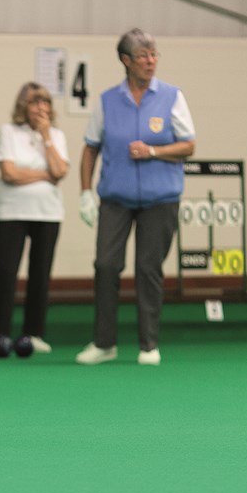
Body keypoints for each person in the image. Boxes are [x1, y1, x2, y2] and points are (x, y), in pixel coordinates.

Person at [76, 28, 196, 367]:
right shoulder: (107, 101)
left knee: (148, 269)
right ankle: (104, 343)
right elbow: (90, 149)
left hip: (160, 200)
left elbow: (188, 145)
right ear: (126, 61)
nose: (150, 61)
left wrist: (154, 151)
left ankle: (149, 345)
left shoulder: (172, 96)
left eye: (154, 54)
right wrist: (86, 193)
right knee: (105, 266)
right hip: (116, 199)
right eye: (143, 56)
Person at [0, 82, 69, 355]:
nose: (40, 107)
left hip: (48, 213)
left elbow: (61, 170)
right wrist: (45, 175)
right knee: (7, 272)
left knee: (40, 274)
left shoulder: (56, 135)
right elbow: (10, 173)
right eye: (34, 102)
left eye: (44, 102)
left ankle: (34, 333)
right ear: (23, 106)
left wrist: (46, 137)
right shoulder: (8, 132)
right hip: (13, 212)